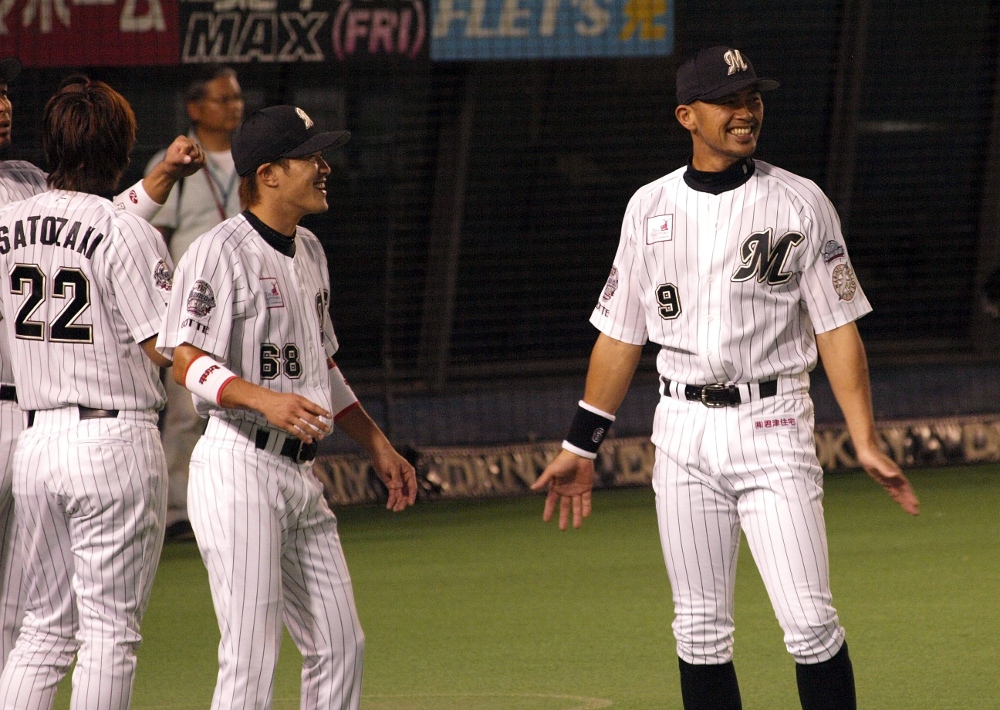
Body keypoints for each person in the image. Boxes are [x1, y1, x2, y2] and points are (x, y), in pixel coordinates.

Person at [531, 46, 920, 710]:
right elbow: (621, 333)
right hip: (680, 430)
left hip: (773, 425)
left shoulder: (800, 202)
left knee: (810, 622)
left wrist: (864, 437)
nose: (746, 112)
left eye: (753, 98)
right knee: (700, 630)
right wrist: (579, 444)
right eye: (729, 101)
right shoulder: (648, 208)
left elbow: (837, 328)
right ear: (687, 115)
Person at [156, 105, 417, 710]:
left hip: (299, 473)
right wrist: (262, 399)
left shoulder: (313, 252)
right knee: (250, 657)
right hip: (238, 465)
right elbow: (184, 360)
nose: (325, 167)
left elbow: (321, 365)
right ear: (269, 173)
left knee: (340, 643)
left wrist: (376, 443)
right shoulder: (218, 252)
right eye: (311, 157)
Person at [0, 55, 203, 682]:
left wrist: (160, 177)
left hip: (36, 427)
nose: (3, 103)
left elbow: (87, 224)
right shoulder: (119, 232)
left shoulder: (17, 204)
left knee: (35, 625)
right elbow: (166, 350)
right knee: (107, 635)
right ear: (120, 145)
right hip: (104, 434)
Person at [144, 65, 244, 539]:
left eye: (237, 98)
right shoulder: (175, 164)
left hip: (244, 303)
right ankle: (174, 511)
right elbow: (153, 241)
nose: (235, 107)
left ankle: (231, 504)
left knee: (242, 406)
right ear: (195, 108)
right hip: (191, 310)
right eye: (223, 99)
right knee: (186, 412)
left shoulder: (251, 159)